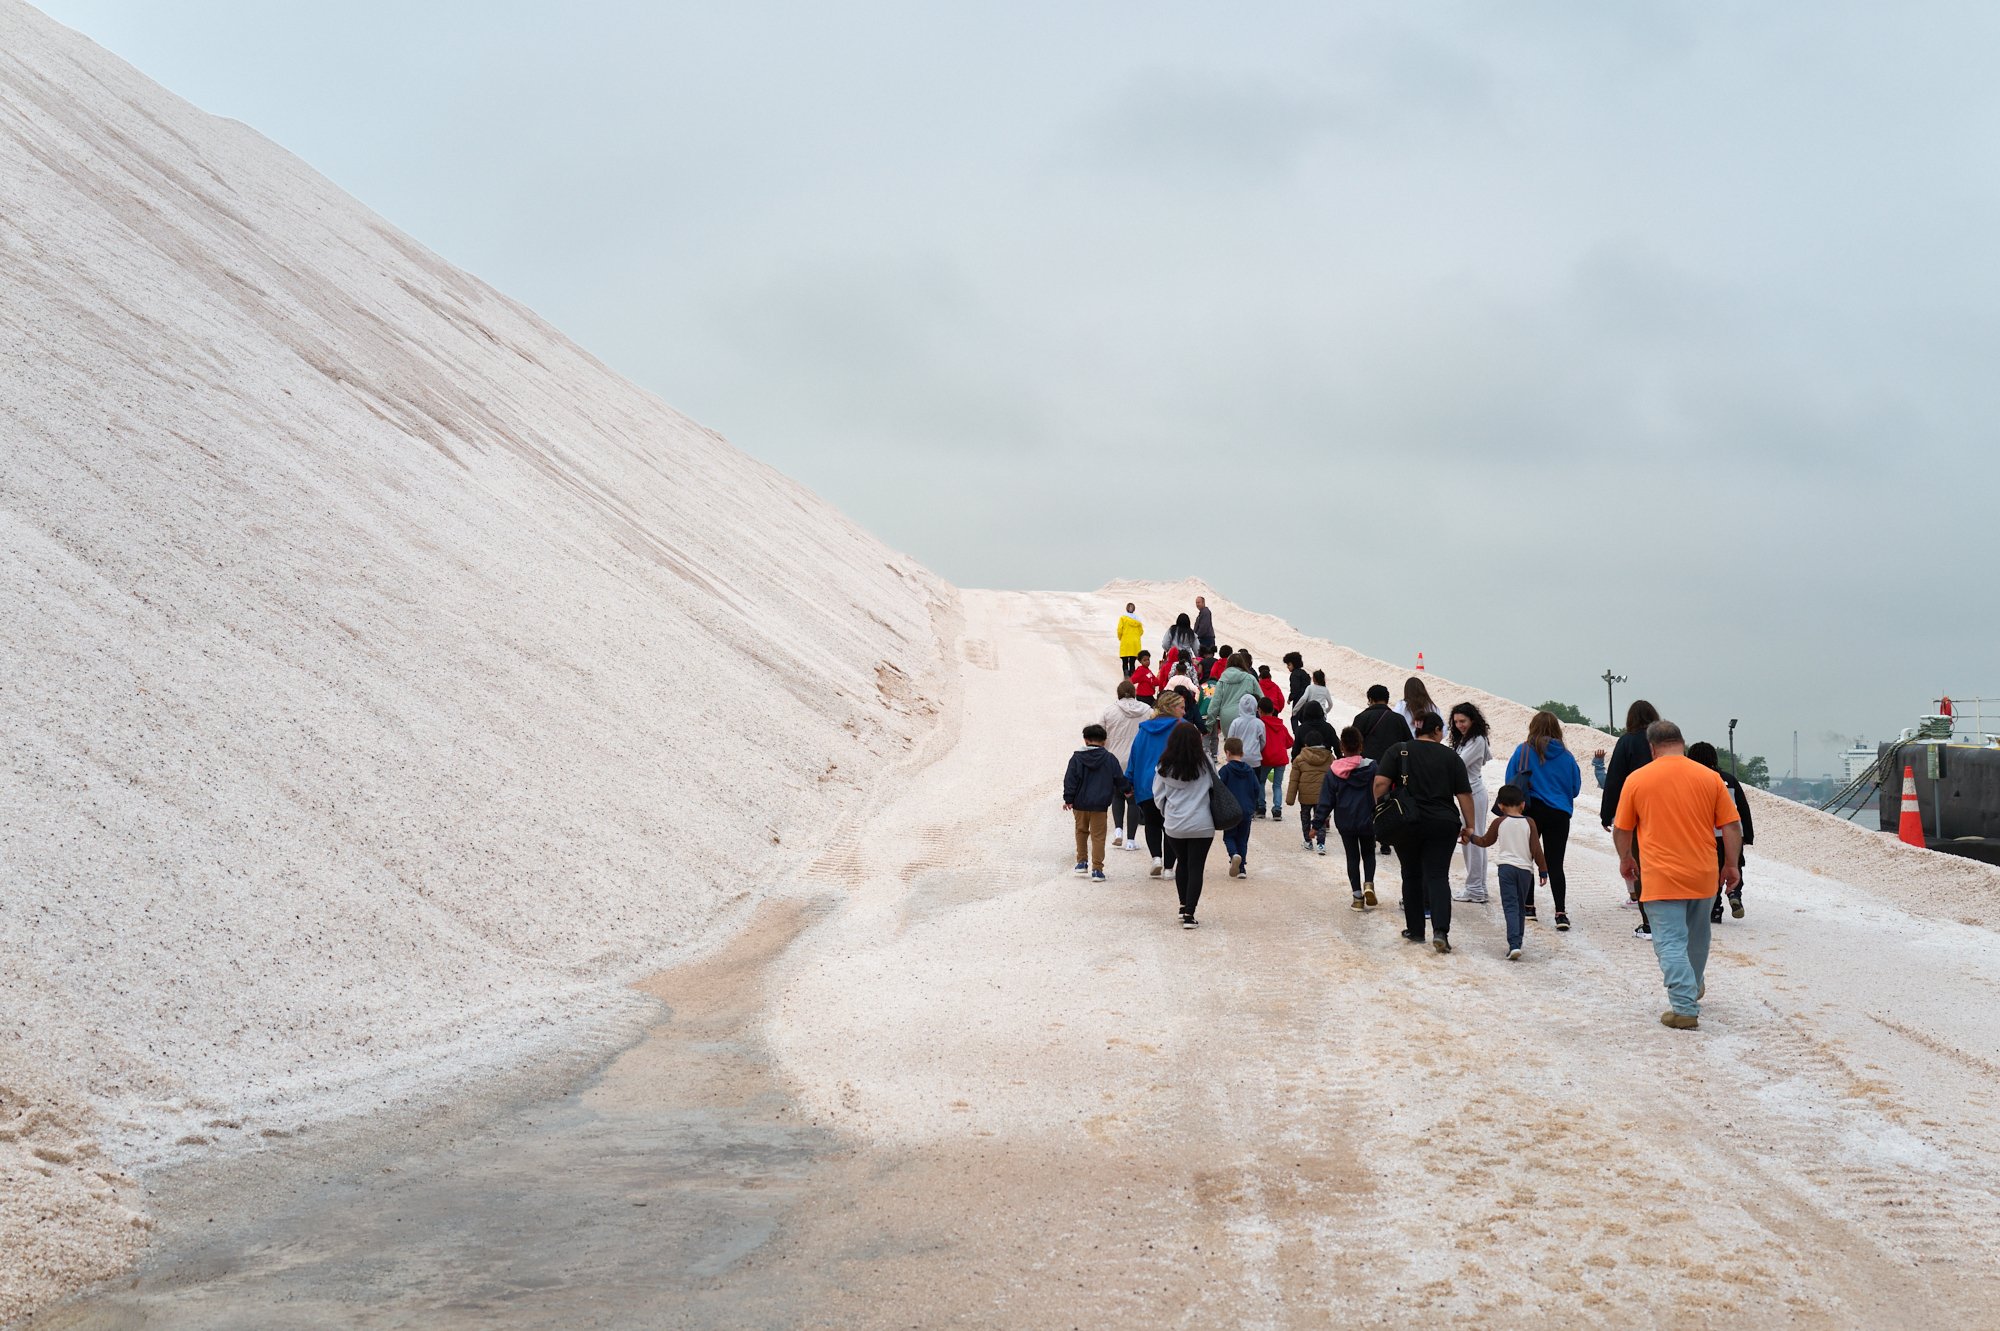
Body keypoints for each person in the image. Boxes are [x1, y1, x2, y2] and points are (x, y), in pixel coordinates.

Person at [1613, 720, 1742, 1029]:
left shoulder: (1637, 779)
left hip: (1660, 875)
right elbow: (1732, 826)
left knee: (1670, 941)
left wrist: (1626, 858)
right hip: (1703, 873)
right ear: (1681, 743)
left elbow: (1622, 828)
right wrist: (1731, 864)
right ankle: (1692, 985)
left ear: (1652, 747)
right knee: (1697, 938)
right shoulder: (1710, 778)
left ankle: (1684, 1006)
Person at [1375, 711, 1476, 952]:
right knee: (1438, 875)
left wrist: (1380, 810)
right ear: (1438, 730)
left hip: (1407, 822)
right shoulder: (1451, 757)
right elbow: (1464, 794)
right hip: (1443, 823)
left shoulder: (1399, 750)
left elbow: (1380, 783)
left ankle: (1416, 930)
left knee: (1411, 874)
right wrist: (1469, 826)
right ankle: (1440, 931)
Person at [1503, 711, 1583, 930]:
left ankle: (1529, 907)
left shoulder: (1523, 751)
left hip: (1531, 810)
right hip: (1559, 813)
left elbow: (1510, 781)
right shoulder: (1566, 756)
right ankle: (1560, 913)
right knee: (1555, 863)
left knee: (1527, 858)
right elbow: (1575, 789)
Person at [1599, 700, 1660, 938]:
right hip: (1667, 809)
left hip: (1637, 811)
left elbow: (1614, 779)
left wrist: (1607, 813)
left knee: (1641, 864)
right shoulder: (1664, 741)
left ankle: (1649, 923)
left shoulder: (1628, 742)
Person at [1466, 784, 1548, 959]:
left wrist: (1470, 837)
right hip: (1525, 871)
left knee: (1510, 906)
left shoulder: (1499, 822)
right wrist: (1543, 870)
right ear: (1523, 804)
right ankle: (1517, 942)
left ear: (1500, 806)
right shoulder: (1529, 822)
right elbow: (1536, 849)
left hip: (1506, 869)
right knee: (1520, 907)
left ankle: (1513, 944)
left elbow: (1485, 841)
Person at [1153, 721, 1221, 928]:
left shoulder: (1163, 766)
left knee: (1181, 863)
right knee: (1196, 867)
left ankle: (1183, 906)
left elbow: (1158, 796)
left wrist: (1168, 814)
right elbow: (1216, 786)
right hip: (1202, 823)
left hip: (1175, 824)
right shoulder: (1206, 764)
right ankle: (1190, 913)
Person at [1688, 742, 1755, 923]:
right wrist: (1747, 835)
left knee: (1712, 872)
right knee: (1734, 866)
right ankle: (1734, 892)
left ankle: (1715, 908)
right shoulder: (1729, 779)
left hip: (1707, 837)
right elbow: (1742, 808)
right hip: (1733, 835)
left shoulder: (1692, 780)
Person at [1125, 692, 1186, 879]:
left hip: (1146, 784)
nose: (1184, 711)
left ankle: (1156, 859)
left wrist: (1129, 780)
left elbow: (1134, 756)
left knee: (1151, 823)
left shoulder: (1144, 730)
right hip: (1173, 784)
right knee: (1170, 825)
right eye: (1181, 707)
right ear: (1171, 708)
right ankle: (1169, 868)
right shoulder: (1182, 728)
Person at [1316, 726, 1378, 908]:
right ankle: (1369, 883)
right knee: (1368, 853)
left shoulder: (1334, 771)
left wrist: (1317, 823)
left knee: (1352, 857)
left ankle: (1357, 897)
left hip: (1345, 820)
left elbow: (1326, 801)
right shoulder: (1373, 767)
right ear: (1361, 745)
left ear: (1342, 747)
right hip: (1368, 818)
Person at [1063, 724, 1131, 882]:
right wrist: (1127, 789)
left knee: (1081, 831)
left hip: (1080, 803)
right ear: (1105, 741)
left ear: (1086, 740)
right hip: (1100, 805)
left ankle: (1081, 862)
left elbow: (1070, 779)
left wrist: (1068, 799)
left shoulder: (1077, 758)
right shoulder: (1110, 758)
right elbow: (1118, 778)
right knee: (1098, 836)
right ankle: (1097, 869)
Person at [1448, 703, 1493, 904]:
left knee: (1471, 840)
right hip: (1470, 792)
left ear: (1472, 720)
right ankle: (1479, 887)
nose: (1459, 725)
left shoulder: (1477, 740)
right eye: (1456, 722)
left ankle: (1475, 888)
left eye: (1463, 721)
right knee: (1476, 840)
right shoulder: (1469, 739)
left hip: (1473, 793)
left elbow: (1458, 765)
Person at [1102, 680, 1154, 851]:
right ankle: (1131, 841)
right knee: (1132, 801)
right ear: (1134, 693)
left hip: (1115, 758)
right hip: (1137, 760)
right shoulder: (1147, 710)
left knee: (1117, 795)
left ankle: (1118, 830)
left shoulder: (1109, 711)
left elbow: (1100, 734)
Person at [1285, 713, 1333, 852]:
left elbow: (1294, 780)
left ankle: (1308, 841)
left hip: (1305, 797)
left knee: (1305, 817)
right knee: (1321, 818)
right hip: (1322, 795)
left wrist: (1290, 799)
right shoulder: (1330, 758)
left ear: (1305, 744)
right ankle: (1321, 844)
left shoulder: (1299, 759)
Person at [1218, 737, 1263, 879]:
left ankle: (1234, 855)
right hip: (1246, 810)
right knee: (1243, 839)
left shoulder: (1225, 771)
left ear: (1228, 753)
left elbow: (1220, 790)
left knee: (1229, 836)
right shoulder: (1249, 770)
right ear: (1242, 753)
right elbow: (1257, 789)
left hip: (1231, 810)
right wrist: (1252, 804)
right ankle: (1242, 868)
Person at [1208, 652, 1261, 763]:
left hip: (1226, 717)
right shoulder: (1250, 678)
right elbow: (1261, 698)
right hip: (1245, 716)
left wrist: (1209, 723)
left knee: (1232, 748)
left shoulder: (1222, 679)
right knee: (1245, 746)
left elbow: (1215, 703)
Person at [1226, 694, 1267, 815]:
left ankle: (1238, 806)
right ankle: (1253, 807)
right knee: (1254, 784)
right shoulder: (1259, 723)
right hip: (1254, 759)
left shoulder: (1235, 722)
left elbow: (1230, 739)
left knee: (1238, 785)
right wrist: (1258, 750)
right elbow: (1263, 741)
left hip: (1237, 758)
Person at [1354, 685, 1413, 760]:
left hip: (1367, 766)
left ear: (1370, 699)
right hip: (1393, 765)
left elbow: (1352, 744)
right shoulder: (1399, 719)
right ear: (1387, 700)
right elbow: (1409, 744)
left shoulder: (1361, 717)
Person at [1116, 603, 1145, 677]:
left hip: (1126, 642)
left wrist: (1120, 638)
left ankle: (1126, 676)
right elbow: (1141, 632)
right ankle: (1132, 676)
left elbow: (1119, 630)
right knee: (1132, 662)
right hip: (1135, 643)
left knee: (1125, 661)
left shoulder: (1123, 618)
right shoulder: (1138, 620)